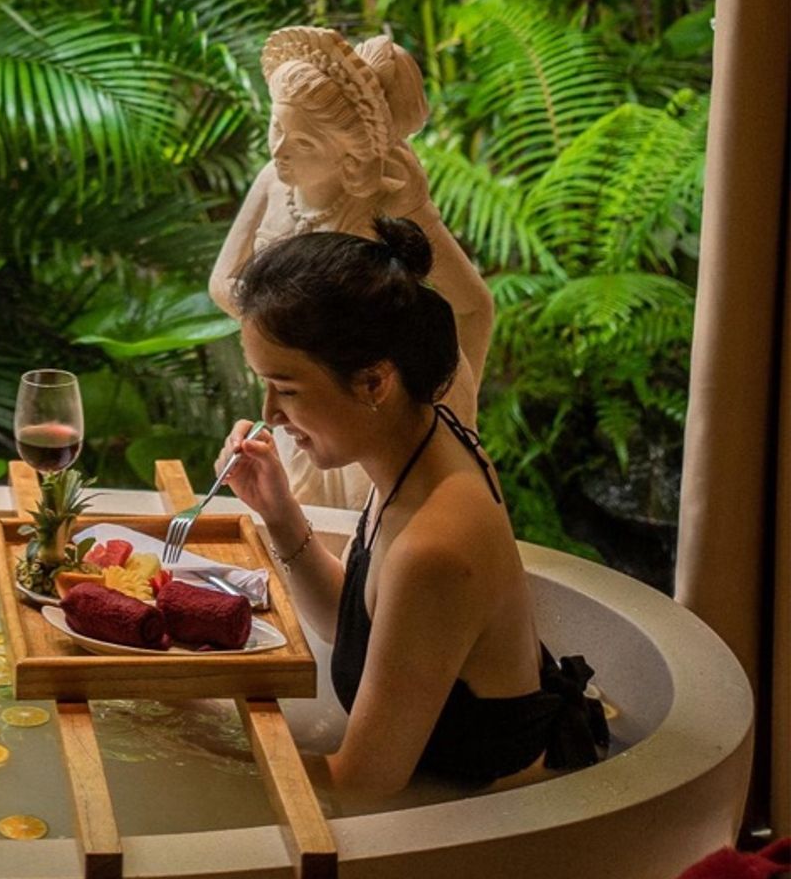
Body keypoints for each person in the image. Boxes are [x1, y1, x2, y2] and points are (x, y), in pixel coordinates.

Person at [217, 217, 607, 796]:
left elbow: (362, 782)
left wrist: (199, 756)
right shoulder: (423, 447)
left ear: (375, 382)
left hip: (487, 825)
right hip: (443, 789)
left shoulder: (436, 546)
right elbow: (350, 626)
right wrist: (280, 514)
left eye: (288, 389)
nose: (270, 413)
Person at [209, 27, 494, 510]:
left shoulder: (384, 205)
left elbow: (475, 307)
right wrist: (293, 337)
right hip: (302, 402)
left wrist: (452, 420)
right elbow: (222, 283)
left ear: (351, 157)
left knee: (366, 538)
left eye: (304, 143)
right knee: (288, 524)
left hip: (368, 412)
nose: (280, 150)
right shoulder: (272, 182)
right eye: (277, 129)